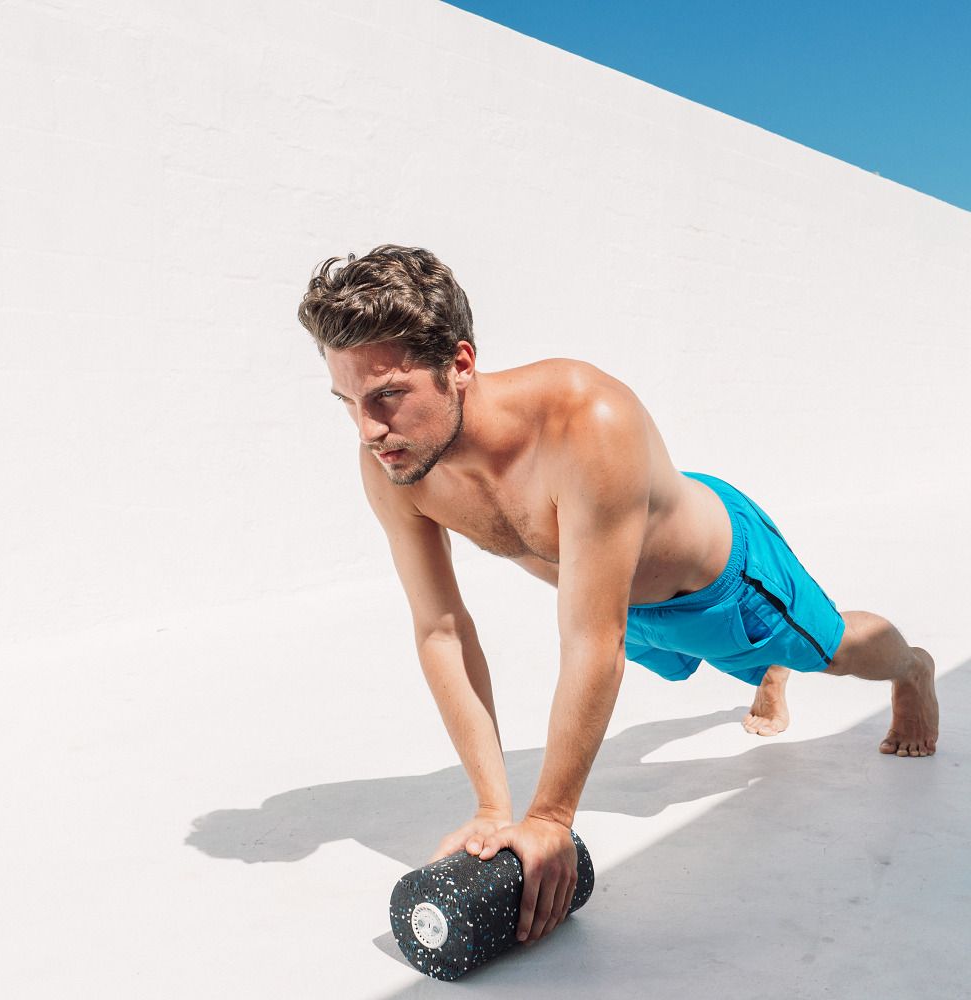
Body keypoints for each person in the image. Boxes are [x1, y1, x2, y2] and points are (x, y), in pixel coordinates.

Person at [297, 244, 939, 946]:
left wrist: (548, 819)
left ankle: (912, 668)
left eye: (387, 395)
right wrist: (492, 807)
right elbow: (441, 630)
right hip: (608, 604)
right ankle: (765, 674)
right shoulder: (396, 463)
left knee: (834, 650)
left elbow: (587, 642)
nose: (368, 429)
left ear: (459, 364)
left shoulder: (585, 420)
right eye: (348, 402)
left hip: (717, 583)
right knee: (649, 647)